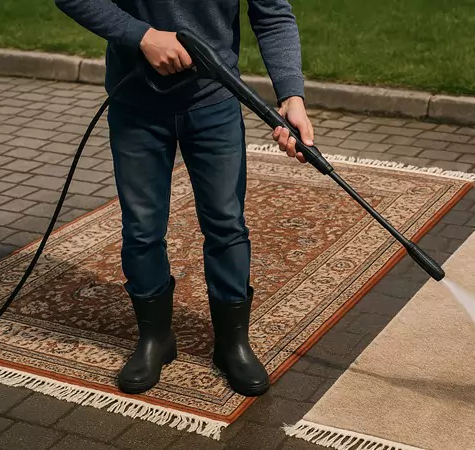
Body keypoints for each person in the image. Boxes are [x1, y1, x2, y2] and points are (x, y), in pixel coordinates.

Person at [54, 0, 314, 397]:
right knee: (141, 228)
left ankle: (232, 345)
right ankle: (155, 338)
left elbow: (273, 12)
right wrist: (142, 36)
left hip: (215, 101)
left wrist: (291, 95)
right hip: (136, 104)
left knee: (226, 223)